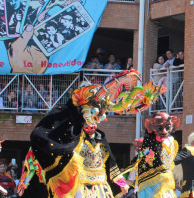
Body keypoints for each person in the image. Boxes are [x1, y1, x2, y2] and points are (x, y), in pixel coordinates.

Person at [19, 71, 164, 198]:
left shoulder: (100, 138)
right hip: (78, 186)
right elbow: (43, 140)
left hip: (100, 188)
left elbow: (110, 163)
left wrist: (120, 181)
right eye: (93, 114)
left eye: (100, 116)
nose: (95, 122)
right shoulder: (69, 136)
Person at [126, 112, 180, 198]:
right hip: (151, 186)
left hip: (166, 185)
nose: (164, 131)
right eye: (160, 127)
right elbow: (140, 160)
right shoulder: (149, 146)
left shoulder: (171, 142)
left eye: (167, 127)